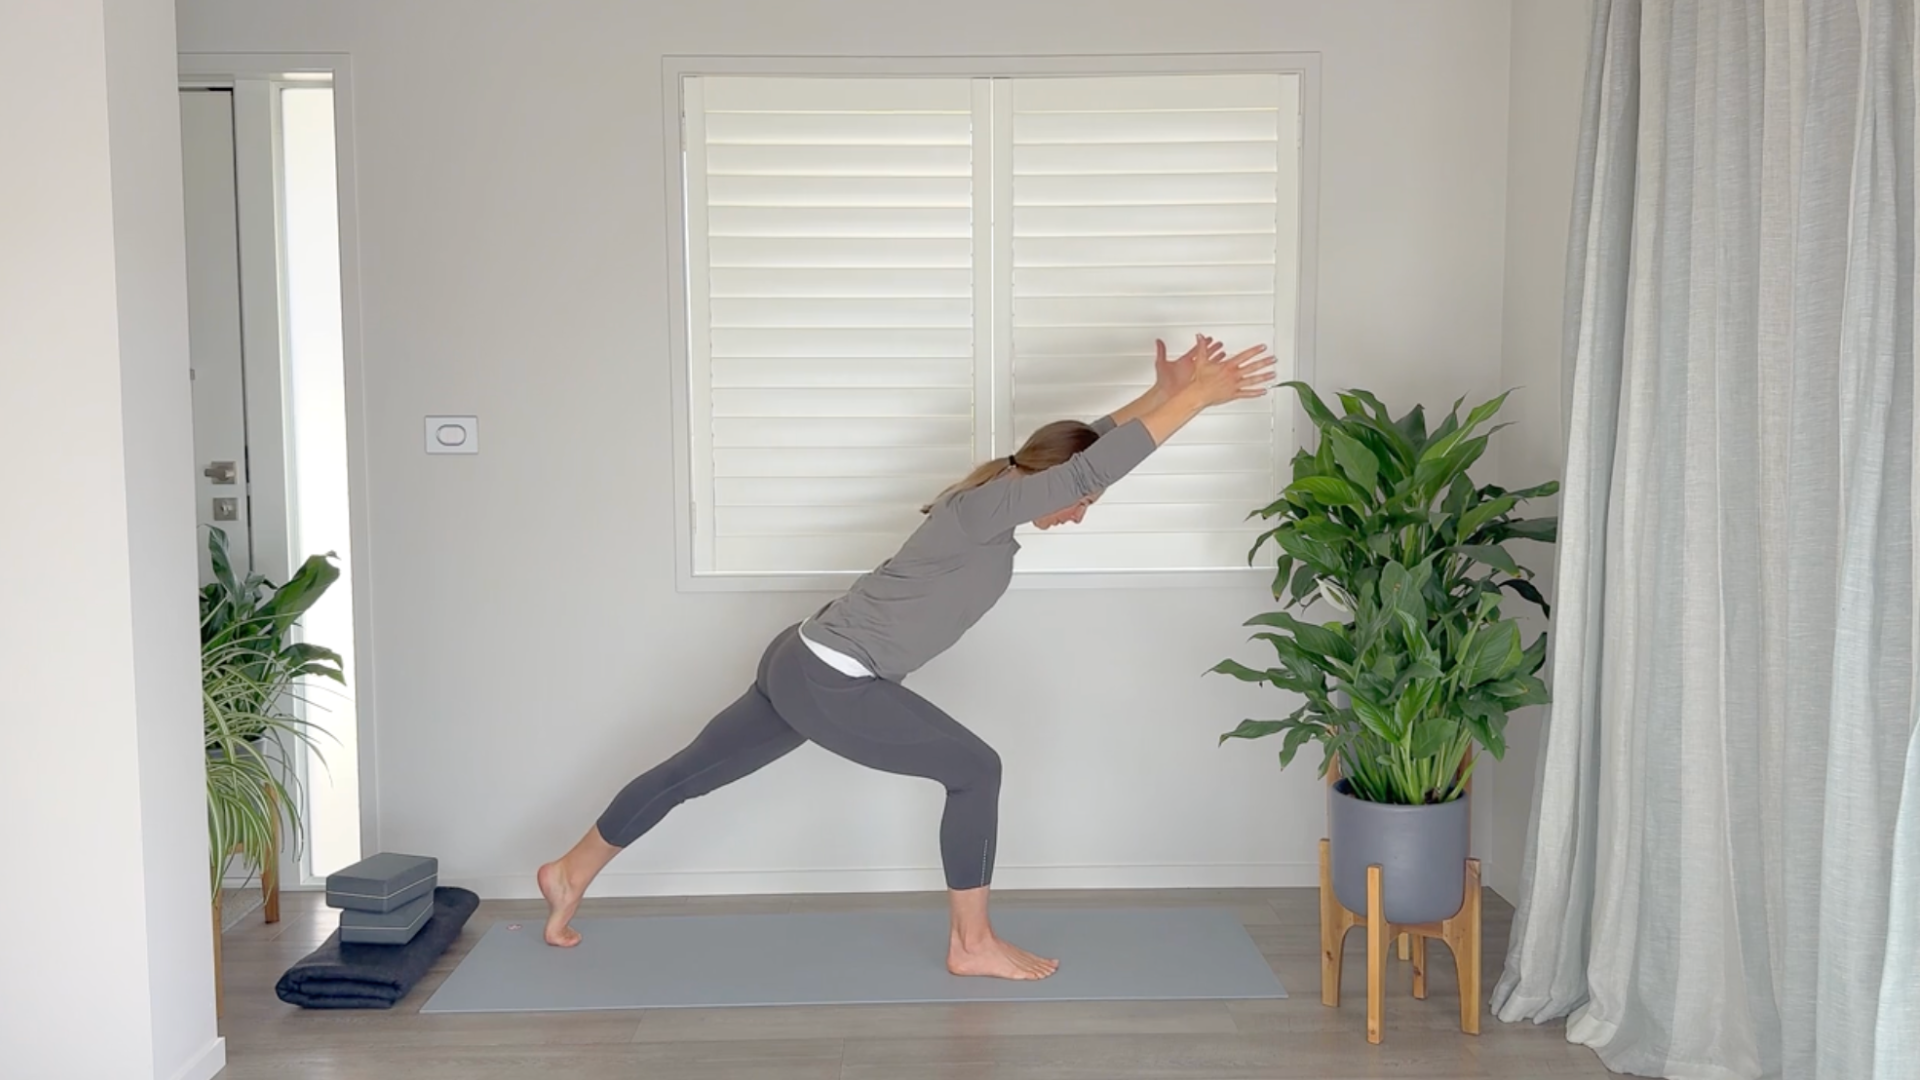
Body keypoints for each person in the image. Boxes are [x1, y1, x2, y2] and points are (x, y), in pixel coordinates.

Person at [537, 334, 1277, 980]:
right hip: (831, 676)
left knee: (688, 774)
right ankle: (972, 942)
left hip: (802, 660)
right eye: (1078, 502)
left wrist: (1160, 392)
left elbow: (1083, 449)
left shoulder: (1000, 498)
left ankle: (568, 871)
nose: (1079, 513)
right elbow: (1087, 469)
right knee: (975, 769)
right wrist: (1198, 402)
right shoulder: (989, 509)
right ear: (1047, 479)